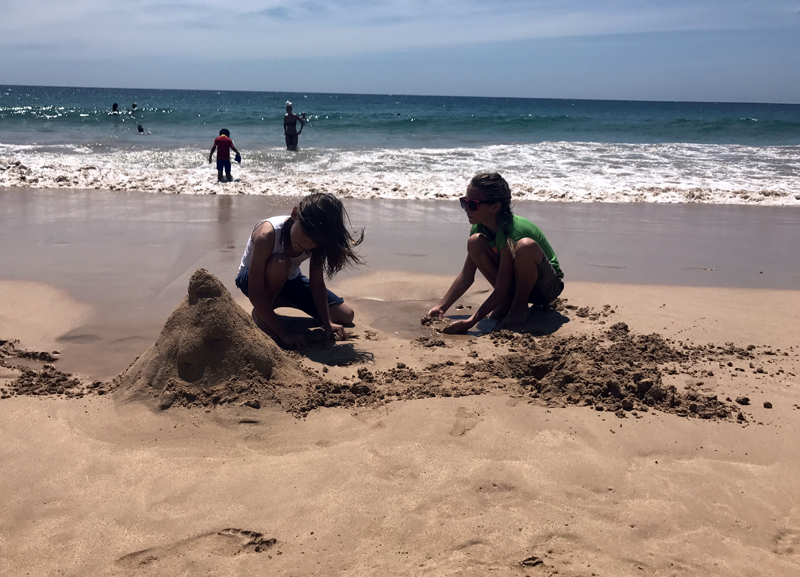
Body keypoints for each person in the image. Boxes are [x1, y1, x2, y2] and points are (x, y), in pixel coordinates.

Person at [428, 172, 564, 334]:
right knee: (474, 242)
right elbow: (466, 276)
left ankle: (519, 305)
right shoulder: (479, 228)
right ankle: (508, 301)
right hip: (511, 285)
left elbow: (499, 288)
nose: (466, 209)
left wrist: (471, 321)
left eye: (473, 204)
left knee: (525, 246)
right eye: (464, 202)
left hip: (546, 288)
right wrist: (441, 307)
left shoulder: (512, 232)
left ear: (495, 207)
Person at [235, 192, 365, 349]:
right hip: (253, 279)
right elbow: (255, 293)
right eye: (306, 233)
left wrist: (327, 322)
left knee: (345, 315)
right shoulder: (267, 234)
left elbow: (316, 284)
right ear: (295, 214)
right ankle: (261, 312)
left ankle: (276, 303)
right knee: (281, 263)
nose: (308, 242)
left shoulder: (318, 242)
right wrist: (284, 334)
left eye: (315, 240)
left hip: (289, 280)